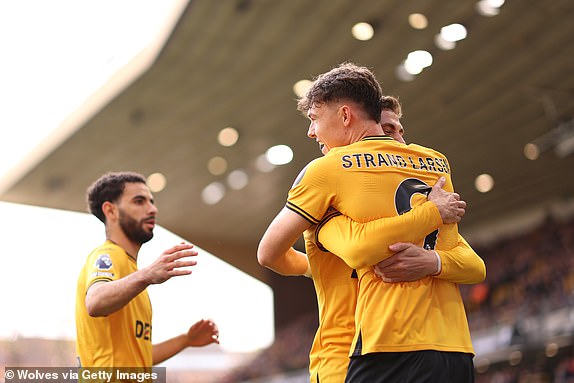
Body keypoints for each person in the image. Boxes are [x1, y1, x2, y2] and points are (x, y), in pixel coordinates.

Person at [258, 63, 483, 382]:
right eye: (389, 128)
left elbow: (351, 248)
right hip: (450, 347)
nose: (311, 132)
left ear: (346, 116)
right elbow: (471, 263)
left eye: (314, 119)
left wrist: (431, 259)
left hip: (363, 349)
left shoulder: (329, 172)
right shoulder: (434, 166)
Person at [75, 171, 219, 370]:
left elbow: (140, 357)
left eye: (151, 201)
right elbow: (95, 302)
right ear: (111, 211)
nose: (152, 209)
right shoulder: (107, 255)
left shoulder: (131, 276)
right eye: (139, 201)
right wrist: (147, 275)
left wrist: (186, 340)